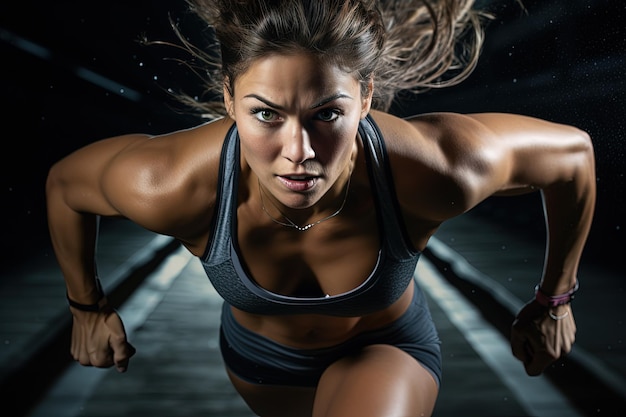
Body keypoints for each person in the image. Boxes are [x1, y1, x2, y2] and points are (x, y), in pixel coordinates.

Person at [45, 1, 596, 416]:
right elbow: (66, 186)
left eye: (327, 115)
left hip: (385, 345)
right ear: (230, 98)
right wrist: (86, 308)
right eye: (266, 115)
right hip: (261, 367)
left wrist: (556, 299)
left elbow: (573, 156)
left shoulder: (437, 168)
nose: (298, 152)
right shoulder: (168, 184)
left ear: (366, 98)